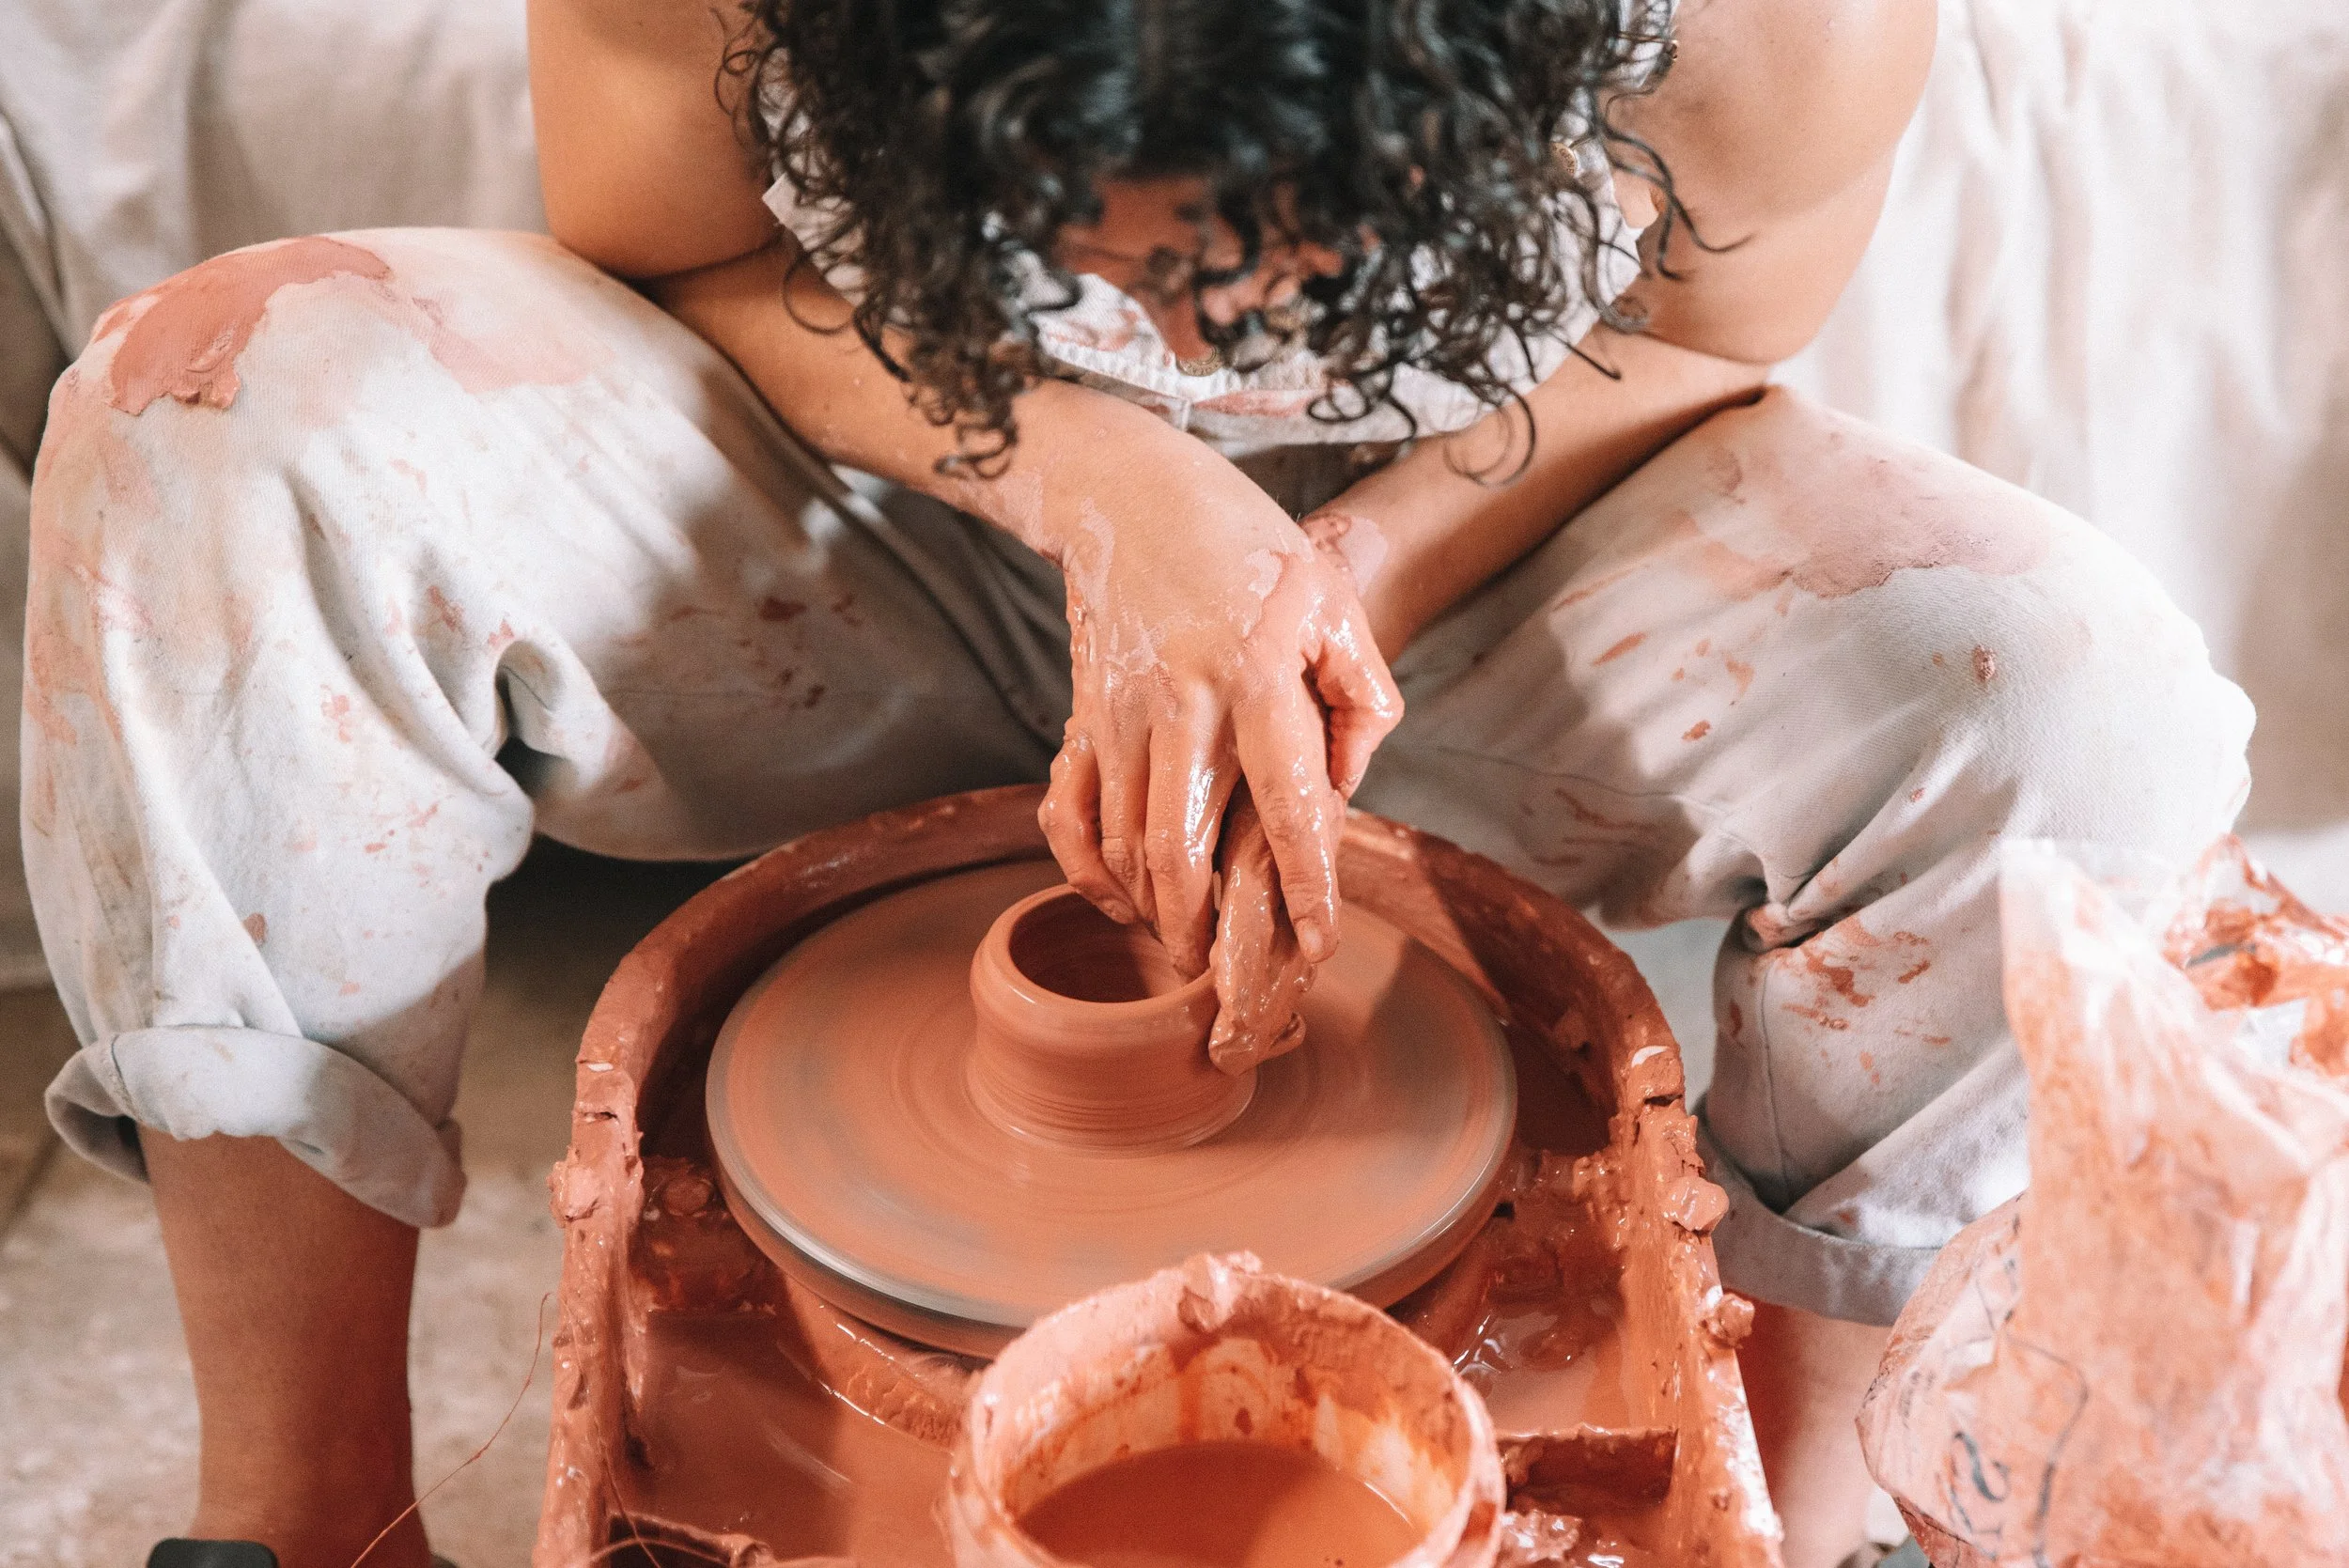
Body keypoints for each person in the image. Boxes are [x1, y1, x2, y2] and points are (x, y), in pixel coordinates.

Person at [23, 1, 2251, 1565]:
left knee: (2059, 691)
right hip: (871, 498)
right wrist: (1103, 481)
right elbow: (678, 241)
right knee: (208, 410)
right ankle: (309, 1516)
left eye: (1281, 263)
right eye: (1103, 249)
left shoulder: (1761, 12)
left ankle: (1792, 1519)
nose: (1189, 341)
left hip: (1465, 553)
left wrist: (1330, 559)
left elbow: (1701, 337)